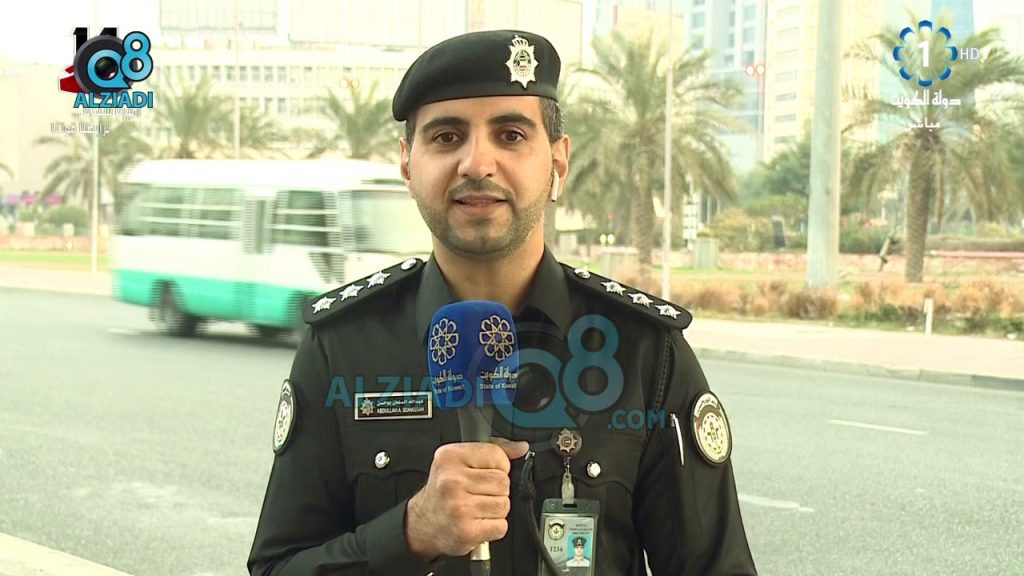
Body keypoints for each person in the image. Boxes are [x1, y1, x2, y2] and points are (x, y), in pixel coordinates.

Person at [248, 29, 757, 576]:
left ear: (558, 161)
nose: (476, 163)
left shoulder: (643, 350)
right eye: (446, 137)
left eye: (510, 135)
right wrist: (410, 533)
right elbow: (278, 567)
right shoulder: (343, 346)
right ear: (407, 164)